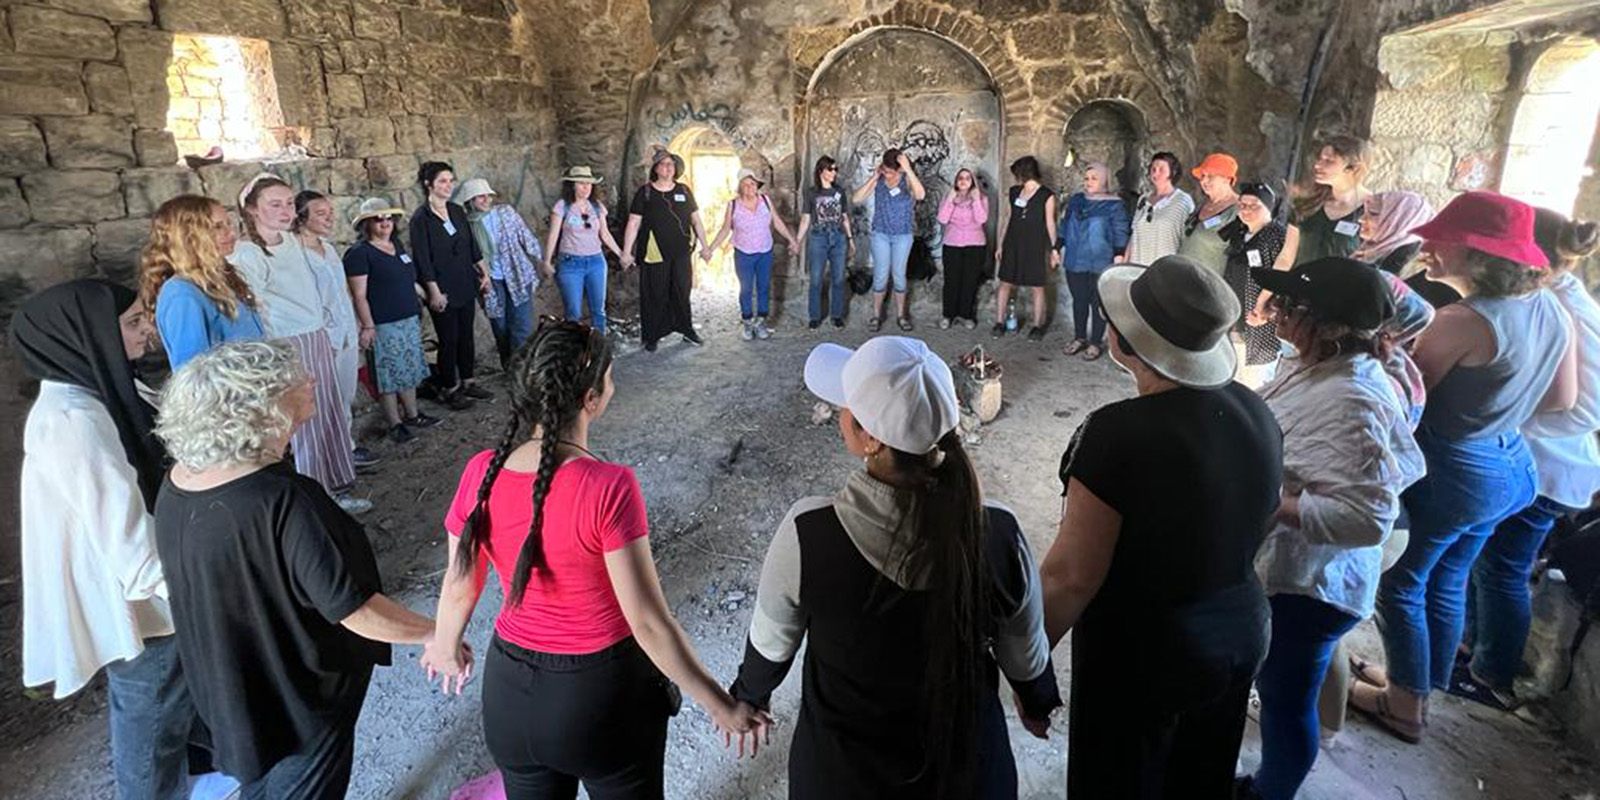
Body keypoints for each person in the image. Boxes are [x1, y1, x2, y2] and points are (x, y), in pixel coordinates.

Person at [420, 320, 767, 798]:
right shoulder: (607, 486)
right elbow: (647, 622)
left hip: (509, 697)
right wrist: (719, 704)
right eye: (609, 378)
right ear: (591, 399)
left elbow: (460, 583)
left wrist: (444, 644)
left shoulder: (483, 470)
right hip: (597, 698)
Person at [731, 336, 1062, 798]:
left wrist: (749, 697)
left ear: (868, 438)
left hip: (842, 781)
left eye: (847, 407)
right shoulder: (998, 532)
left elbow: (770, 645)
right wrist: (1037, 701)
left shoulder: (809, 533)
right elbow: (1025, 651)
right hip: (969, 778)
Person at [1037, 255, 1282, 798]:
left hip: (1147, 652)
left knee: (1118, 782)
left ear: (1126, 344)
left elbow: (1071, 576)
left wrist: (1028, 669)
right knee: (1199, 778)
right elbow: (1262, 517)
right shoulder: (1253, 409)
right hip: (1240, 629)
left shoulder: (1116, 435)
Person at [153, 340, 436, 800]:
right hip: (299, 695)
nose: (313, 380)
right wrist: (435, 633)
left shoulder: (178, 484)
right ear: (262, 409)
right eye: (295, 381)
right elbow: (354, 609)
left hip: (233, 680)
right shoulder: (282, 500)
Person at [1353, 191, 1576, 744]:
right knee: (1446, 577)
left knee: (1400, 581)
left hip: (1454, 471)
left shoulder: (1463, 319)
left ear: (1479, 254)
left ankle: (1404, 705)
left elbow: (1404, 400)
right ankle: (1420, 683)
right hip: (1510, 464)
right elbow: (1561, 398)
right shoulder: (1550, 307)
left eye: (1440, 240)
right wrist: (1497, 402)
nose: (1426, 248)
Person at [1237, 258, 1426, 800]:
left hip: (1311, 585)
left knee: (1286, 698)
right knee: (1284, 688)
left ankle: (1271, 791)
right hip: (1295, 573)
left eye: (1292, 309)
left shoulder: (1354, 397)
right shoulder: (1321, 363)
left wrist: (1275, 503)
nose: (1278, 316)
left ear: (1332, 326)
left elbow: (1367, 518)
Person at [14, 280, 194, 800]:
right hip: (140, 601)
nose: (147, 331)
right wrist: (203, 589)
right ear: (90, 335)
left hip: (156, 585)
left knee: (170, 704)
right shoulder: (74, 420)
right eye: (133, 322)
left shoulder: (103, 389)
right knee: (151, 710)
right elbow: (130, 548)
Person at [1455, 209, 1600, 710]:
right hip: (1529, 456)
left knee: (1502, 567)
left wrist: (1511, 404)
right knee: (1485, 561)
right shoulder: (1547, 297)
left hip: (1548, 464)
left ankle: (1491, 675)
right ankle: (1473, 651)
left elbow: (1586, 405)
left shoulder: (1569, 310)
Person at [231, 173, 368, 514]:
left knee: (328, 415)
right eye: (274, 205)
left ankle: (334, 489)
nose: (285, 210)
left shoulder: (290, 242)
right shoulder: (247, 253)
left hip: (315, 334)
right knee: (305, 425)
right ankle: (316, 502)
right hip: (288, 341)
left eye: (289, 203)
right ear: (252, 210)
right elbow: (256, 308)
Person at [344, 197, 442, 444]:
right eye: (378, 219)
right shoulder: (359, 254)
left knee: (408, 370)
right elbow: (359, 295)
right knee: (387, 375)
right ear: (366, 224)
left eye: (389, 218)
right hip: (383, 323)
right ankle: (394, 423)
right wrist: (367, 326)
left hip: (407, 318)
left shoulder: (396, 245)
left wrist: (429, 295)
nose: (385, 223)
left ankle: (412, 414)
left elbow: (407, 280)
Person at [292, 190, 373, 471]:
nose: (329, 218)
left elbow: (342, 291)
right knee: (325, 400)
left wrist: (360, 323)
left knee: (345, 395)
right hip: (323, 336)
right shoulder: (296, 253)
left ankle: (345, 446)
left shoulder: (327, 247)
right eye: (321, 213)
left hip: (346, 330)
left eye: (330, 212)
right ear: (302, 217)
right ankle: (329, 455)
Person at [139, 194, 264, 369]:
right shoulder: (181, 294)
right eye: (217, 227)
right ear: (188, 236)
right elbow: (192, 373)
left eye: (228, 223)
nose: (231, 233)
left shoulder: (222, 278)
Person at [411, 161, 492, 407]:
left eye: (450, 180)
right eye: (442, 181)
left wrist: (484, 273)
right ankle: (450, 387)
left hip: (465, 282)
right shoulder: (420, 219)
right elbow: (422, 260)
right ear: (428, 185)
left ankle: (468, 380)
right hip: (442, 287)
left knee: (466, 336)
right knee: (449, 339)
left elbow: (471, 246)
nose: (448, 186)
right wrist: (433, 292)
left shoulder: (456, 211)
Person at [623, 150, 713, 352]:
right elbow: (633, 223)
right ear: (655, 168)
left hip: (681, 251)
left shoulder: (684, 190)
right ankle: (652, 336)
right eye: (663, 164)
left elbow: (696, 220)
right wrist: (626, 252)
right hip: (654, 252)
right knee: (655, 293)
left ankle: (686, 330)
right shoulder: (645, 192)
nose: (668, 167)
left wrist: (705, 247)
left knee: (682, 290)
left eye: (671, 164)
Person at [458, 178, 546, 367]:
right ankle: (509, 366)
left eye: (488, 195)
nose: (486, 200)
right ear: (470, 200)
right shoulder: (466, 224)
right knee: (500, 327)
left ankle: (520, 371)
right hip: (489, 280)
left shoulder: (505, 213)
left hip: (518, 274)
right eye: (480, 196)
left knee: (521, 326)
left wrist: (540, 259)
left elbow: (524, 234)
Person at [707, 168, 799, 341]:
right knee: (746, 289)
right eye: (746, 184)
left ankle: (762, 321)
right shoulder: (733, 205)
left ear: (757, 186)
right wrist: (710, 248)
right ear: (740, 187)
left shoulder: (765, 200)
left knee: (764, 287)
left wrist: (791, 240)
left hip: (765, 251)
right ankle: (747, 322)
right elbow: (725, 229)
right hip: (744, 253)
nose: (750, 187)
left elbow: (777, 222)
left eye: (753, 184)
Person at [1220, 181, 1290, 387]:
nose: (1246, 210)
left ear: (1268, 208)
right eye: (1242, 204)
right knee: (1233, 375)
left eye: (1254, 205)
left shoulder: (1276, 235)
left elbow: (1283, 278)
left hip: (1260, 323)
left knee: (1254, 384)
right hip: (1237, 318)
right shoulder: (1242, 233)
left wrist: (1267, 311)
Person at [1057, 162, 1130, 359]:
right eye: (1087, 178)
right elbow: (1064, 225)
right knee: (1079, 301)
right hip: (1075, 260)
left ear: (1104, 180)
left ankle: (1096, 342)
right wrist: (1057, 247)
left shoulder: (1114, 205)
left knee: (1098, 304)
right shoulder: (1077, 200)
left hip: (1101, 261)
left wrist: (1119, 254)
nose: (1089, 182)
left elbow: (1120, 231)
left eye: (1094, 178)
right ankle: (1079, 338)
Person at [543, 166, 627, 335]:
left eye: (589, 184)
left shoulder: (596, 207)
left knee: (599, 311)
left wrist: (621, 253)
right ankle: (575, 352)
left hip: (596, 262)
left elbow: (605, 234)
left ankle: (597, 350)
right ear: (572, 185)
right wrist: (547, 260)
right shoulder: (562, 206)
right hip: (570, 263)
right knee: (573, 312)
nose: (586, 187)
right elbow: (553, 234)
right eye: (581, 183)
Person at [852, 147, 926, 332]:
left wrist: (908, 169)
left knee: (899, 275)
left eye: (890, 171)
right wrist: (875, 177)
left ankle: (901, 315)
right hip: (881, 234)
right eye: (885, 169)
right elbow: (856, 199)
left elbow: (921, 195)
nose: (887, 174)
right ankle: (876, 315)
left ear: (899, 169)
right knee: (880, 275)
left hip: (903, 235)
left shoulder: (906, 179)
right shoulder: (879, 180)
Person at [993, 155, 1060, 341]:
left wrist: (1055, 249)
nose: (1016, 178)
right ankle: (999, 322)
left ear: (1023, 173)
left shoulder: (1047, 195)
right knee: (1005, 282)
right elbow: (1007, 219)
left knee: (1037, 286)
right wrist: (1000, 244)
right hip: (1013, 243)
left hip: (1035, 245)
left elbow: (1050, 223)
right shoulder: (1014, 192)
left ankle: (1038, 325)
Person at [1290, 135, 1372, 266]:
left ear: (1353, 167)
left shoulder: (1374, 210)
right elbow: (1287, 256)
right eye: (1320, 159)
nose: (1317, 165)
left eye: (1328, 161)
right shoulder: (1308, 203)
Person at [796, 155, 856, 329]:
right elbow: (805, 219)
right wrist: (798, 241)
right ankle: (814, 316)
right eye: (831, 169)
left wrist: (850, 239)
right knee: (816, 279)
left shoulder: (840, 192)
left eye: (836, 169)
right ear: (821, 171)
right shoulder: (812, 193)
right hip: (818, 237)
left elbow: (844, 217)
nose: (834, 173)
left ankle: (836, 315)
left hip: (838, 236)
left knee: (838, 279)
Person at [937, 167, 989, 330]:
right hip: (952, 243)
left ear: (972, 181)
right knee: (951, 281)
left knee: (970, 281)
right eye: (960, 177)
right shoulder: (949, 198)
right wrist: (951, 199)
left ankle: (967, 315)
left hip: (975, 245)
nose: (963, 180)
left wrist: (976, 200)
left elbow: (981, 219)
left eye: (967, 178)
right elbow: (942, 219)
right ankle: (948, 315)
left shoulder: (982, 198)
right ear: (956, 181)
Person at [1124, 152, 1195, 266]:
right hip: (1138, 267)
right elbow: (1134, 235)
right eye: (1153, 169)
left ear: (1172, 172)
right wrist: (1124, 263)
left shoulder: (1182, 201)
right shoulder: (1143, 199)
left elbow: (1187, 239)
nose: (1156, 173)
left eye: (1161, 169)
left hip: (1166, 270)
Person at [1178, 153, 1241, 275]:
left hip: (1208, 286)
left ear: (1227, 179)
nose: (1203, 181)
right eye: (1202, 176)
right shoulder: (1204, 204)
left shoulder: (1239, 210)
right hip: (1182, 278)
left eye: (1210, 176)